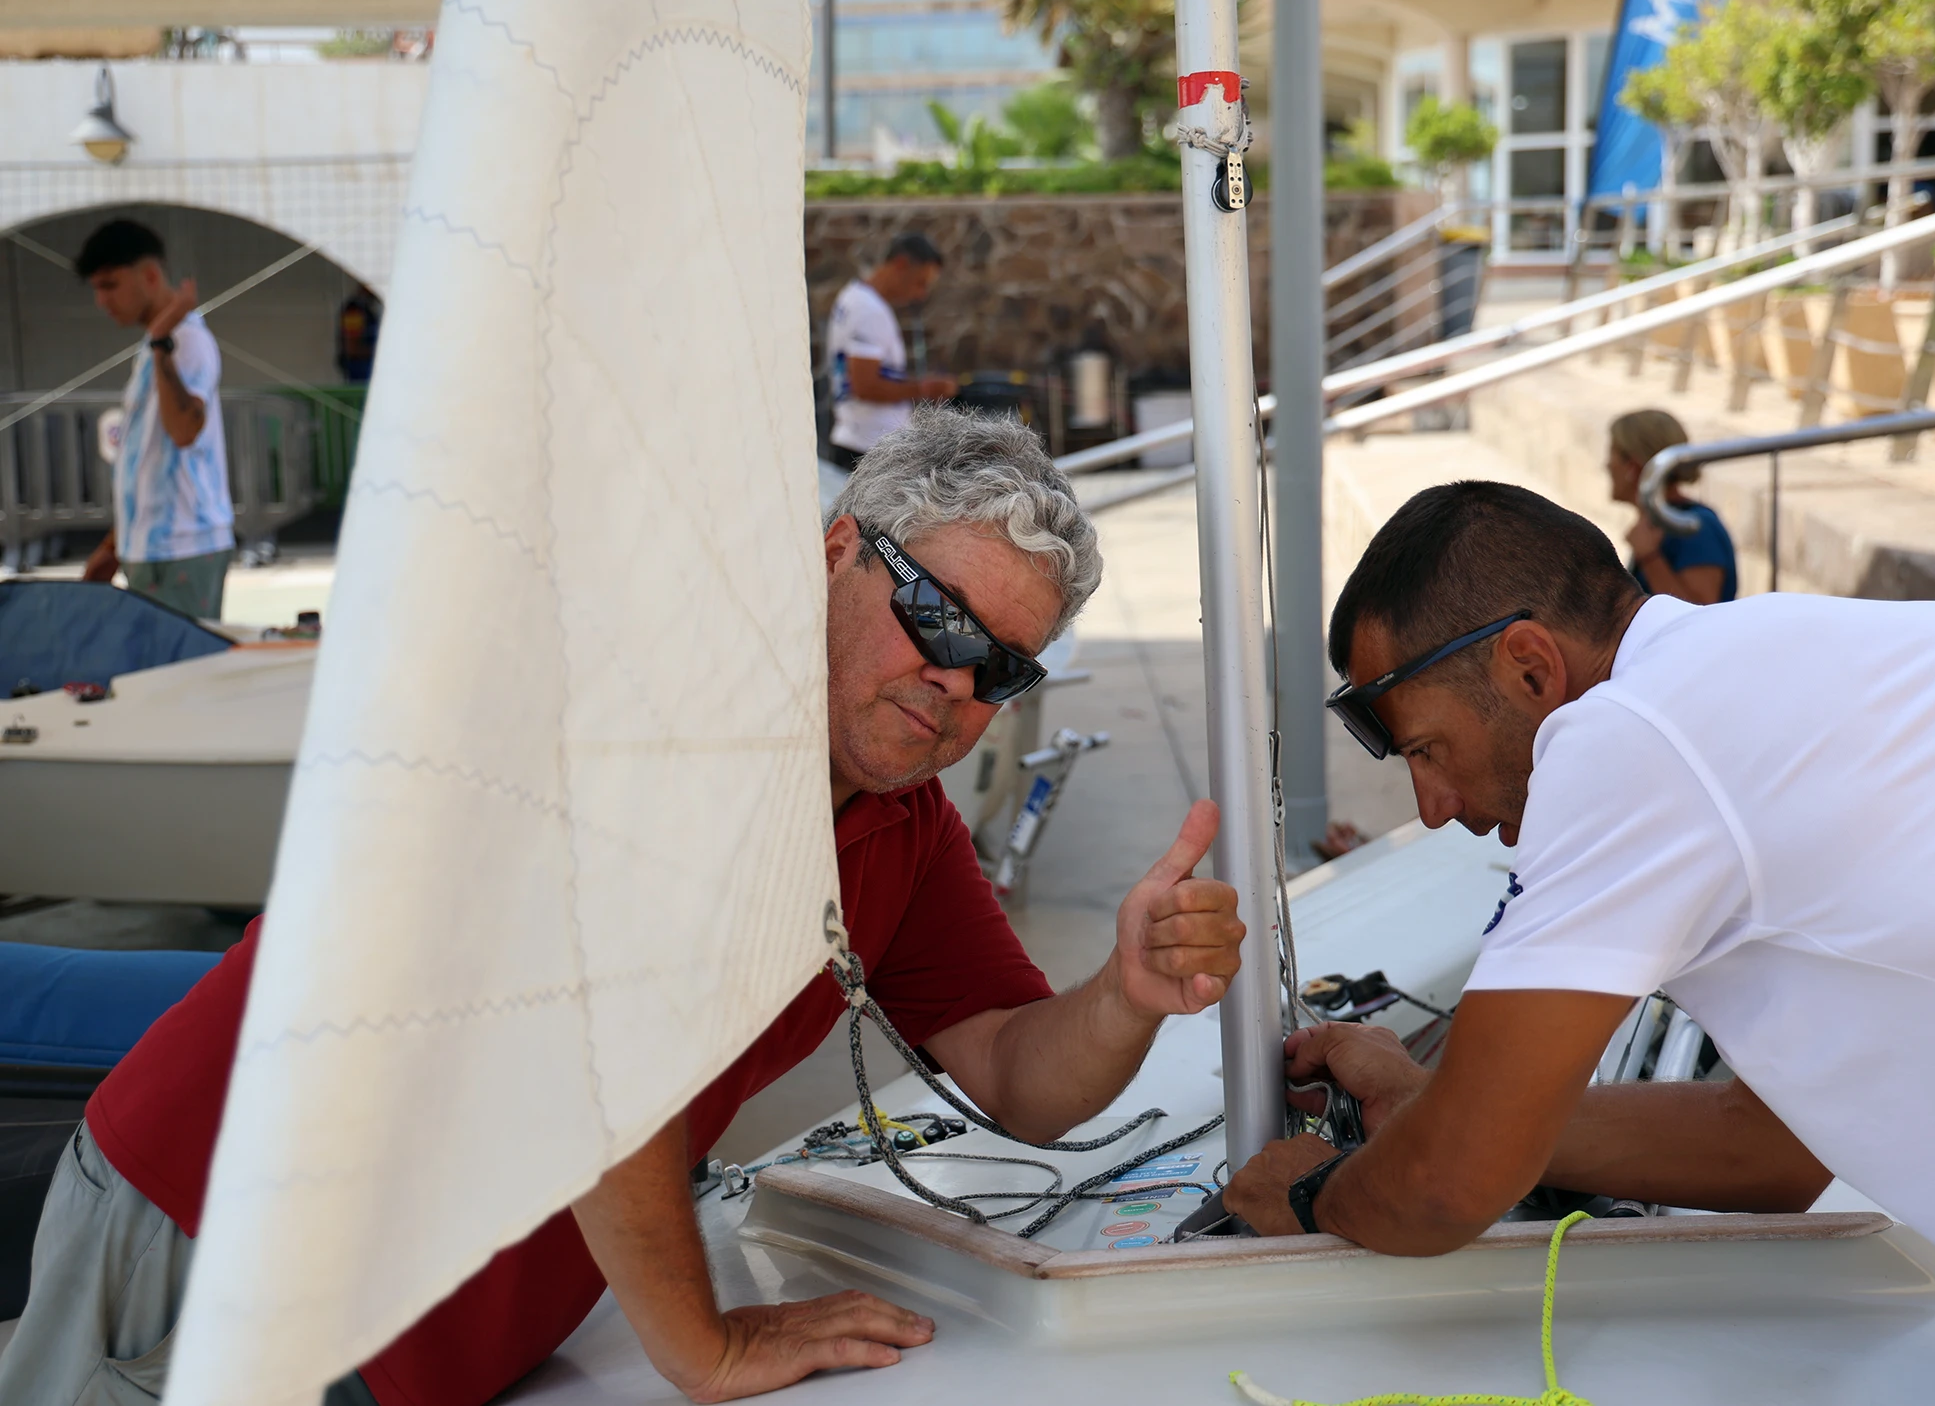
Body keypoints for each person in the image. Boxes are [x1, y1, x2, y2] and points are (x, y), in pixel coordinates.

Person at [0, 409, 1247, 1406]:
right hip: (233, 1243)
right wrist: (703, 1345)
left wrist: (1124, 995)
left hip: (428, 1329)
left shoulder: (899, 824)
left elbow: (1016, 1076)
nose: (953, 679)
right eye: (934, 615)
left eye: (1001, 667)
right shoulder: (664, 721)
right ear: (834, 553)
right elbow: (592, 1057)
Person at [1225, 480, 1935, 1399]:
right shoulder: (1773, 668)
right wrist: (1434, 1105)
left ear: (1531, 669)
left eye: (1425, 751)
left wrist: (1315, 1193)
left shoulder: (1633, 735)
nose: (1432, 808)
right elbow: (1772, 1153)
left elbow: (1447, 1187)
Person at [72, 219, 236, 621]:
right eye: (96, 288)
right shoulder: (155, 345)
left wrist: (163, 340)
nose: (102, 300)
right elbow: (145, 460)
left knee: (183, 662)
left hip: (182, 546)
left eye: (110, 285)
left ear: (148, 275)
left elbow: (184, 430)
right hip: (152, 549)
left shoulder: (185, 339)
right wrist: (115, 545)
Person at [824, 232, 959, 470]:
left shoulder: (854, 297)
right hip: (866, 449)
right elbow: (865, 385)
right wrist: (926, 389)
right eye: (920, 282)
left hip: (861, 441)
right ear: (901, 264)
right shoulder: (868, 310)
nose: (921, 294)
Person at [1606, 408, 1735, 605]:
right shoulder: (1658, 524)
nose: (1607, 465)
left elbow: (1700, 612)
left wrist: (1650, 558)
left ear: (1632, 466)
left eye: (1612, 454)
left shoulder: (1694, 527)